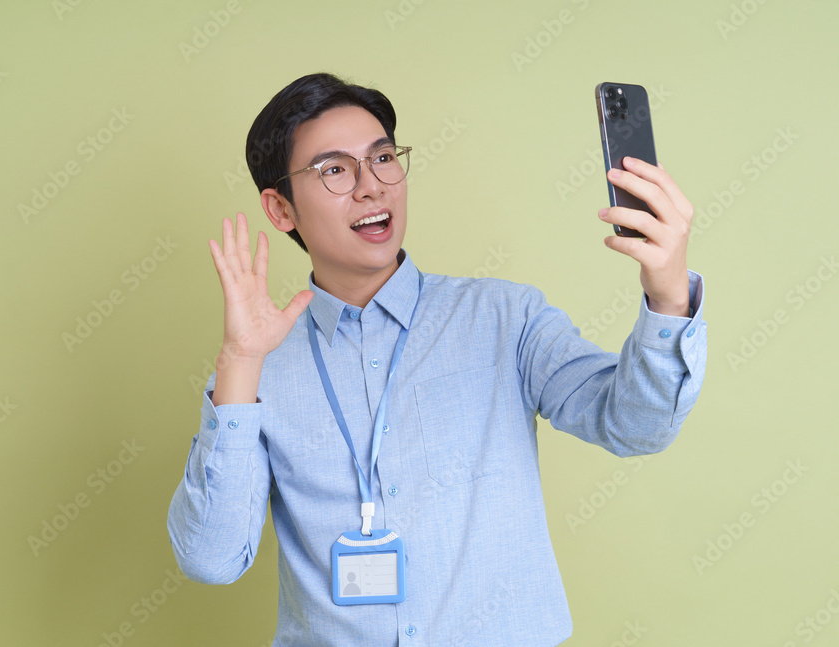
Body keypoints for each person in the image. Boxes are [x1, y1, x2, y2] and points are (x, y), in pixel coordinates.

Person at [167, 72, 707, 646]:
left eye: (382, 158)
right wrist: (240, 360)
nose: (371, 187)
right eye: (334, 170)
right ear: (280, 209)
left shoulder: (505, 317)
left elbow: (636, 426)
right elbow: (211, 558)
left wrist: (669, 297)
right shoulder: (257, 369)